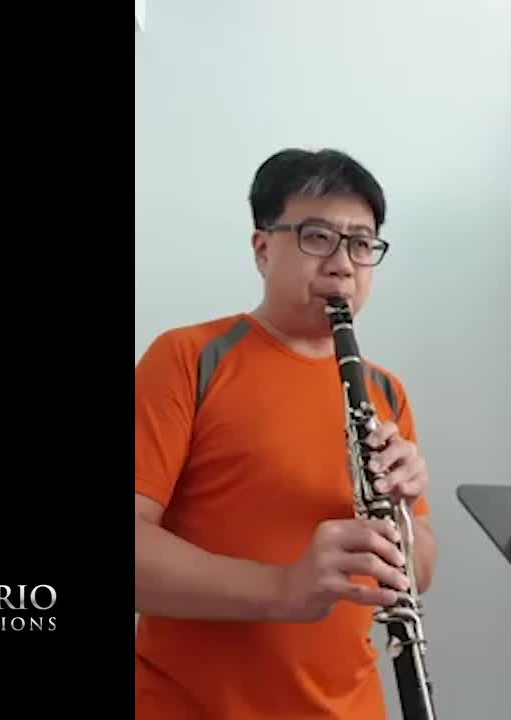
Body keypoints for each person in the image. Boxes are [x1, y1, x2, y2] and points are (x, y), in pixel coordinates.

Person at [134, 148, 438, 719]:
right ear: (262, 248)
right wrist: (283, 588)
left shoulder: (386, 391)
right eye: (317, 237)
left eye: (362, 244)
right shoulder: (189, 358)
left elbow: (416, 572)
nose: (342, 264)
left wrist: (401, 513)